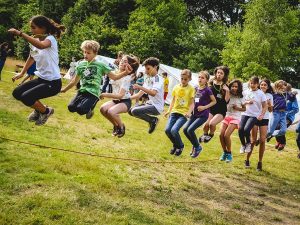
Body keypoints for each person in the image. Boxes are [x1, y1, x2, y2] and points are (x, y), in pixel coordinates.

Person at [9, 15, 65, 125]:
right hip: (41, 79)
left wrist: (20, 34)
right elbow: (32, 57)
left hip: (53, 83)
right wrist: (22, 73)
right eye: (31, 27)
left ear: (43, 28)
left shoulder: (51, 39)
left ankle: (46, 111)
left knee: (27, 97)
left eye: (34, 27)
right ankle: (39, 109)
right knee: (17, 93)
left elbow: (41, 46)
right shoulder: (34, 41)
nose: (31, 30)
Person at [61, 40, 132, 119]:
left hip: (93, 93)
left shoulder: (101, 65)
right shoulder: (81, 65)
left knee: (81, 110)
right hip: (82, 91)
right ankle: (86, 107)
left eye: (88, 53)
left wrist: (125, 73)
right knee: (71, 108)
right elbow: (75, 81)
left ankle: (90, 109)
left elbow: (114, 77)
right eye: (84, 52)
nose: (85, 55)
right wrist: (64, 89)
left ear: (95, 54)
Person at [100, 54, 139, 137]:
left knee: (111, 111)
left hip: (125, 101)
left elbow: (120, 95)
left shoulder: (127, 78)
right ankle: (116, 125)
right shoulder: (115, 73)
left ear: (129, 65)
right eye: (121, 60)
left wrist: (104, 94)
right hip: (115, 100)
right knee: (103, 109)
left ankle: (121, 127)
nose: (121, 62)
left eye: (125, 61)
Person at [183, 71, 216, 158]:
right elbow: (194, 101)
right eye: (199, 77)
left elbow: (214, 101)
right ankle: (196, 145)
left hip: (203, 115)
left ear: (207, 80)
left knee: (190, 130)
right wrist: (189, 112)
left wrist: (204, 107)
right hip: (194, 114)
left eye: (202, 78)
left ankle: (197, 147)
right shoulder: (196, 88)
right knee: (185, 130)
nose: (200, 79)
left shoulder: (208, 90)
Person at [164, 69, 195, 156]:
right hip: (174, 112)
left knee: (174, 130)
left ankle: (180, 146)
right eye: (182, 78)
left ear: (189, 79)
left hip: (183, 114)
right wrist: (169, 111)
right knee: (167, 130)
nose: (183, 81)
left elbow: (192, 103)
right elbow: (173, 100)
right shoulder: (176, 87)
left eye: (185, 79)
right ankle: (175, 145)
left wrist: (189, 112)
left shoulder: (191, 89)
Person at [129, 57, 164, 134]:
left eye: (148, 69)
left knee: (134, 111)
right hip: (149, 104)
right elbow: (139, 94)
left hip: (157, 107)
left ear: (155, 67)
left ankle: (153, 120)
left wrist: (139, 86)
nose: (146, 71)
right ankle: (152, 120)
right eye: (145, 69)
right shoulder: (147, 78)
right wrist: (126, 98)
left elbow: (153, 93)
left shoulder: (158, 79)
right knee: (130, 111)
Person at [246, 79, 273, 171]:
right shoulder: (255, 93)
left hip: (264, 119)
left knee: (262, 140)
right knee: (253, 141)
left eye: (265, 85)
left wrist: (269, 105)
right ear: (258, 85)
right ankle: (247, 159)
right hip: (255, 117)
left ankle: (260, 162)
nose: (263, 86)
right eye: (261, 84)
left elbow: (270, 110)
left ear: (268, 87)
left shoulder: (269, 96)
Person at [199, 66, 230, 143]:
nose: (219, 74)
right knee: (206, 124)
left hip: (220, 110)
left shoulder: (225, 86)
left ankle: (211, 135)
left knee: (212, 124)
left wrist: (227, 91)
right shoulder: (210, 83)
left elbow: (226, 101)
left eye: (221, 73)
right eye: (218, 72)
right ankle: (205, 134)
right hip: (211, 108)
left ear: (224, 75)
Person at [239, 76, 267, 155]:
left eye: (254, 83)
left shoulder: (261, 94)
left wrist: (262, 115)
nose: (252, 85)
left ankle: (248, 144)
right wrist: (247, 102)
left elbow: (265, 106)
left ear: (257, 84)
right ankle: (243, 145)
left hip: (254, 115)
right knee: (240, 129)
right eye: (251, 83)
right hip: (245, 113)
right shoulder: (246, 92)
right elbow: (241, 103)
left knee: (246, 130)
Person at [219, 79, 245, 163]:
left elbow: (244, 108)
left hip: (235, 118)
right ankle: (224, 152)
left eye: (236, 86)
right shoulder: (228, 94)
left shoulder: (241, 97)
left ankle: (229, 153)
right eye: (233, 86)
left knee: (226, 135)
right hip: (226, 116)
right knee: (221, 135)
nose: (234, 88)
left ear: (239, 88)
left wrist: (237, 108)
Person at [274, 83, 298, 150]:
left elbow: (296, 109)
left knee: (280, 128)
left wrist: (287, 114)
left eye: (284, 89)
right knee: (275, 127)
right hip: (279, 115)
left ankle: (283, 142)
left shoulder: (292, 98)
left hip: (288, 117)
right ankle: (279, 141)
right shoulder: (280, 95)